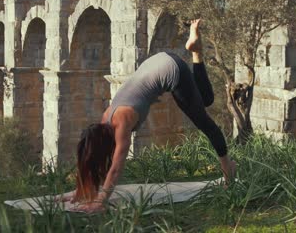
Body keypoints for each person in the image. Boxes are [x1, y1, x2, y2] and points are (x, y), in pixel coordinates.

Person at [59, 19, 236, 213]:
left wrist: (101, 201)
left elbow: (116, 169)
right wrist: (81, 191)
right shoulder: (105, 118)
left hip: (171, 70)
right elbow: (92, 159)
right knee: (207, 99)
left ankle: (229, 170)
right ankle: (195, 51)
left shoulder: (121, 124)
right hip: (158, 61)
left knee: (206, 124)